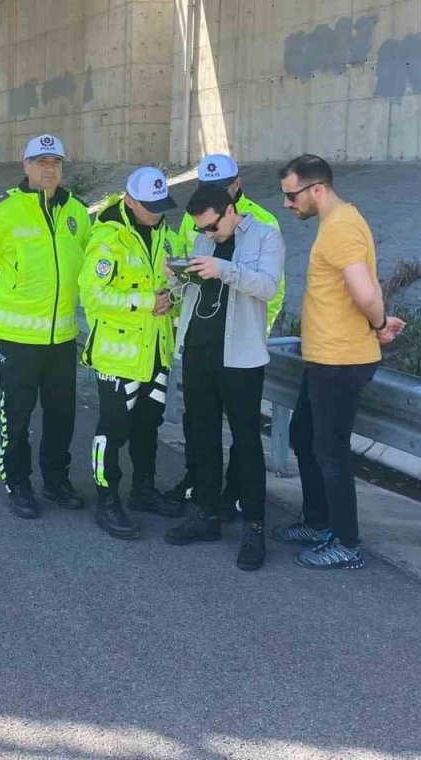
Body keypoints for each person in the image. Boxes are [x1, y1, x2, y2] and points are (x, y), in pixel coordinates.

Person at [273, 154, 406, 570]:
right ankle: (317, 521)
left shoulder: (342, 227)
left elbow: (365, 292)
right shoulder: (337, 224)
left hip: (340, 359)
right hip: (325, 357)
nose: (287, 204)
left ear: (317, 189)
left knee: (330, 450)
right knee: (303, 435)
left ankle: (346, 542)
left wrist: (380, 323)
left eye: (291, 196)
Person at [0, 134, 91, 520]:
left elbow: (87, 260)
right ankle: (18, 482)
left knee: (61, 414)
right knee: (16, 414)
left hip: (62, 336)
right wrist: (2, 294)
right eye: (41, 161)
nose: (49, 168)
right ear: (26, 165)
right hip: (16, 337)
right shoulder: (1, 211)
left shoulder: (78, 212)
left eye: (55, 162)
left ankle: (56, 481)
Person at [162, 183, 284, 570]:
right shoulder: (204, 239)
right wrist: (176, 279)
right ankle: (207, 514)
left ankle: (253, 525)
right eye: (200, 230)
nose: (207, 236)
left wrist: (225, 269)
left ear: (230, 211)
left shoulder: (266, 236)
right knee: (201, 436)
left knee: (246, 443)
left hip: (241, 357)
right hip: (199, 350)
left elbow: (267, 287)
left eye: (212, 228)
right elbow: (195, 289)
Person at [79, 166, 186, 539]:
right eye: (150, 206)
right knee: (112, 430)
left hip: (156, 352)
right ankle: (107, 500)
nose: (157, 212)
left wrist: (171, 297)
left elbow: (174, 287)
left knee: (148, 425)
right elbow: (92, 295)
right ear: (129, 200)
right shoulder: (108, 239)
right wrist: (144, 301)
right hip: (118, 356)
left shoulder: (166, 238)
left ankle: (143, 490)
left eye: (161, 204)